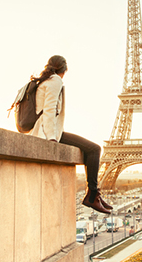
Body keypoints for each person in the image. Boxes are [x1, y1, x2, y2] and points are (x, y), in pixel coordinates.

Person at [28, 55, 112, 214]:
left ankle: (93, 194)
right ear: (64, 70)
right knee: (94, 149)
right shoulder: (55, 81)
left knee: (91, 149)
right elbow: (49, 110)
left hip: (44, 130)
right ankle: (92, 195)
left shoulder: (44, 81)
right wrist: (52, 137)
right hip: (47, 133)